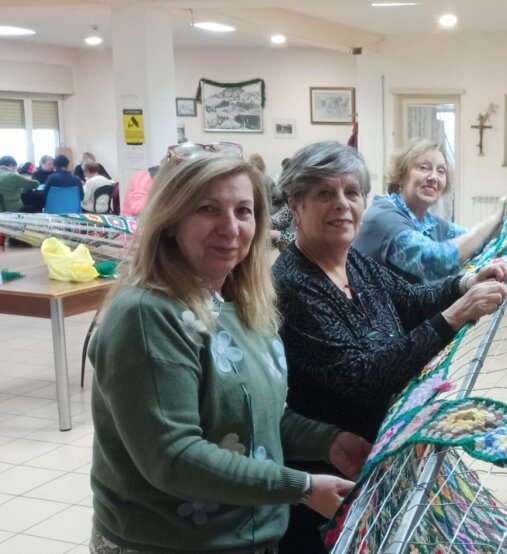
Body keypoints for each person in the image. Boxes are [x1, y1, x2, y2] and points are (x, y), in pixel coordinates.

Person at [88, 150, 371, 553]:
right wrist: (302, 487)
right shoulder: (147, 315)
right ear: (172, 221)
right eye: (208, 209)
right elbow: (174, 457)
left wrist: (328, 441)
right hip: (167, 543)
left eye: (243, 211)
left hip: (246, 537)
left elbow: (255, 418)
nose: (230, 227)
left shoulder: (241, 305)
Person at [273, 141, 507, 551]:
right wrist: (457, 315)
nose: (342, 205)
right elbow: (362, 375)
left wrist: (465, 283)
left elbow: (409, 298)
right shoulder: (293, 284)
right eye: (324, 194)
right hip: (333, 472)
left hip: (377, 450)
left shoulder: (353, 262)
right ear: (295, 206)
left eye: (351, 192)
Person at [352, 138, 507, 283]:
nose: (433, 177)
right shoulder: (384, 217)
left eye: (441, 171)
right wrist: (495, 216)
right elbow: (437, 262)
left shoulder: (430, 223)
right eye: (423, 168)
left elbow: (479, 243)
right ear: (400, 175)